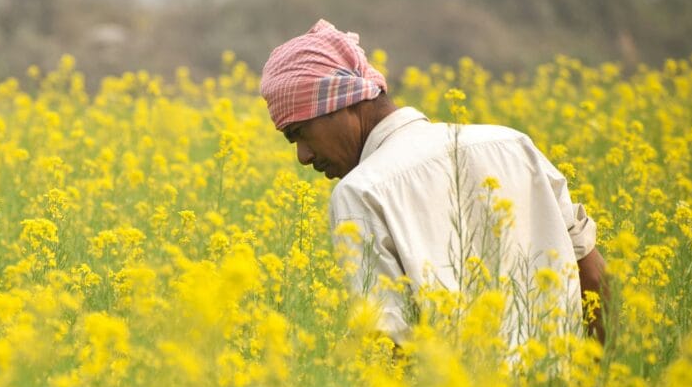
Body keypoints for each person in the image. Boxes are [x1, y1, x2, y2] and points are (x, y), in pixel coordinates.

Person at [259, 19, 607, 345]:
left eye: (300, 133)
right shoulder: (513, 145)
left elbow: (389, 343)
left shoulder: (361, 192)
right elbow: (594, 278)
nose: (303, 156)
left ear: (342, 100)